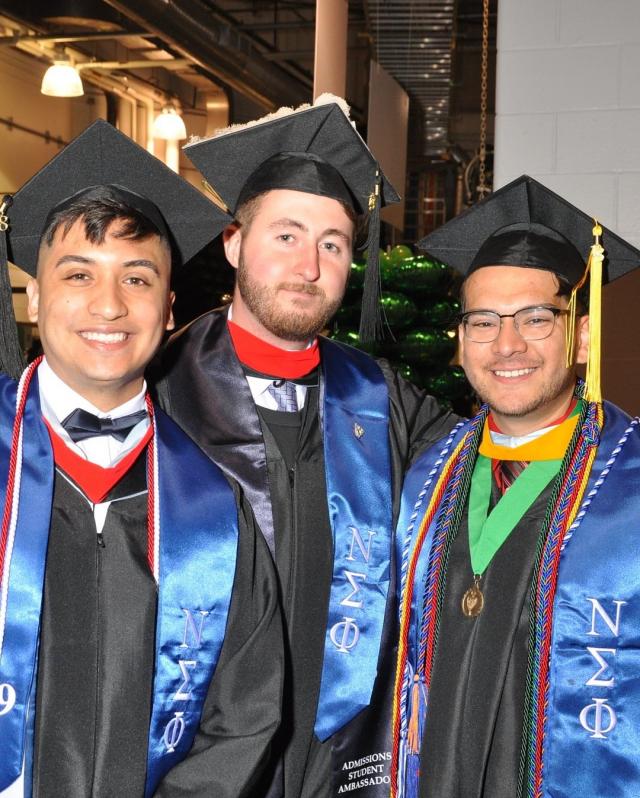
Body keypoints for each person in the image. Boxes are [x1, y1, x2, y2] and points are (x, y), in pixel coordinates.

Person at [152, 96, 457, 797]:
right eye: (285, 235)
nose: (309, 264)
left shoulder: (384, 400)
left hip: (342, 761)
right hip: (199, 764)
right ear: (233, 243)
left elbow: (486, 480)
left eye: (333, 243)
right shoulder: (159, 389)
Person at [0, 120, 282, 798]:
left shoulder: (214, 509)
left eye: (137, 277)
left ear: (168, 306)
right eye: (78, 274)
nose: (109, 305)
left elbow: (245, 715)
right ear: (34, 297)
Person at [390, 175, 640, 798]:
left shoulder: (630, 481)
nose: (506, 345)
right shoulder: (423, 477)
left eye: (536, 318)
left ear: (582, 335)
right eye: (482, 322)